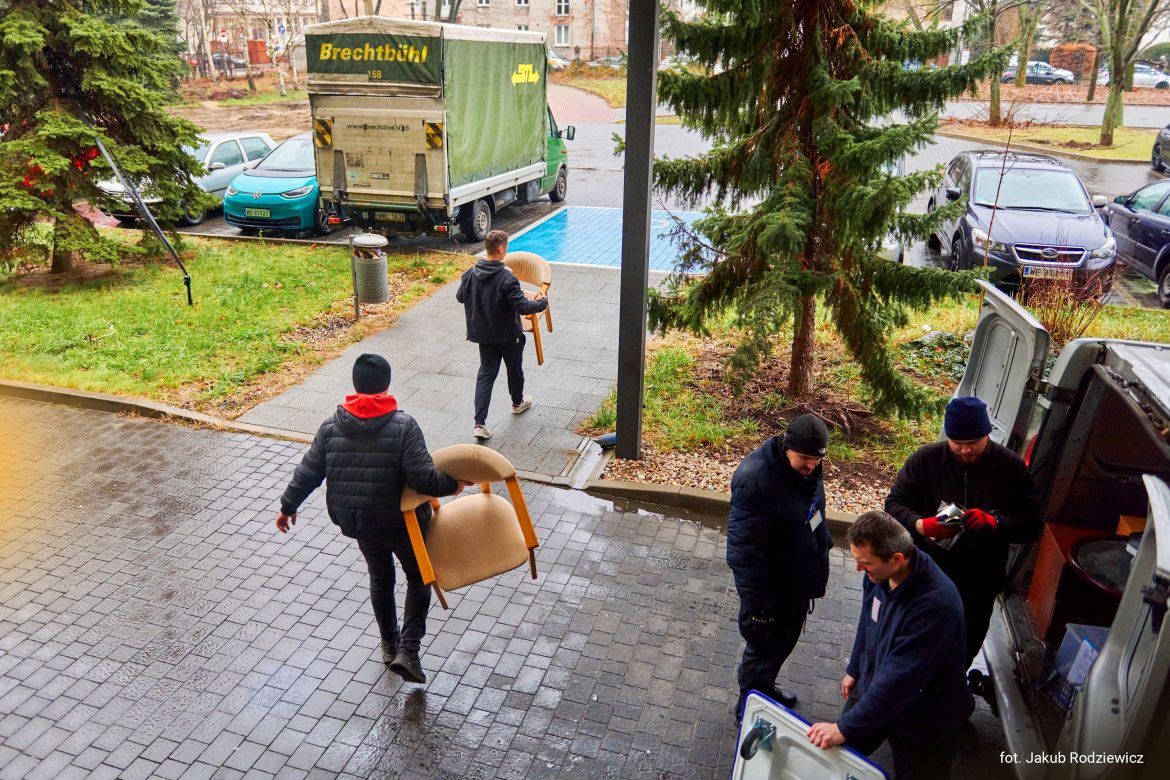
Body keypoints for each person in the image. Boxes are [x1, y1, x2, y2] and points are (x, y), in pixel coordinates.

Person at [275, 353, 469, 684]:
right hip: (402, 523)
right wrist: (454, 485)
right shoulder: (404, 426)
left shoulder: (331, 426)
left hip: (359, 522)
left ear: (355, 385)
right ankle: (409, 651)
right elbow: (422, 478)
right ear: (387, 386)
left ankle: (389, 643)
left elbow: (308, 471)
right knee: (419, 576)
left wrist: (288, 505)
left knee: (381, 577)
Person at [808, 510, 973, 780]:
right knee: (836, 756)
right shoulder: (878, 576)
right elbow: (867, 622)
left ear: (897, 559)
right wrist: (855, 668)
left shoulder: (935, 607)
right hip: (879, 691)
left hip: (924, 719)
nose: (858, 569)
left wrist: (843, 728)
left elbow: (902, 679)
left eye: (865, 563)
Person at [884, 396, 1040, 667]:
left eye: (973, 443)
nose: (966, 450)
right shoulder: (926, 460)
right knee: (915, 641)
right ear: (948, 436)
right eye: (958, 443)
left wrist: (995, 522)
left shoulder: (1011, 468)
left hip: (979, 581)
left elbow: (1032, 525)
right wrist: (921, 525)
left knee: (962, 648)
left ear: (987, 434)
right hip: (927, 572)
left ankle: (950, 686)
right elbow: (894, 503)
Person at [726, 414, 832, 719]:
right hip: (771, 594)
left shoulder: (806, 471)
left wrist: (821, 549)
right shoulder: (755, 481)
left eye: (816, 459)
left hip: (796, 584)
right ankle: (748, 710)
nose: (811, 465)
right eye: (804, 458)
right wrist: (759, 608)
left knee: (781, 647)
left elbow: (814, 514)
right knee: (762, 653)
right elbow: (744, 554)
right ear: (787, 447)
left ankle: (765, 690)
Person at [456, 229, 547, 440]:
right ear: (500, 249)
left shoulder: (471, 273)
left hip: (483, 335)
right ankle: (517, 403)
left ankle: (479, 423)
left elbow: (461, 297)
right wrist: (542, 301)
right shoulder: (507, 277)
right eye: (506, 248)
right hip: (508, 335)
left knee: (486, 375)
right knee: (514, 369)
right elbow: (524, 307)